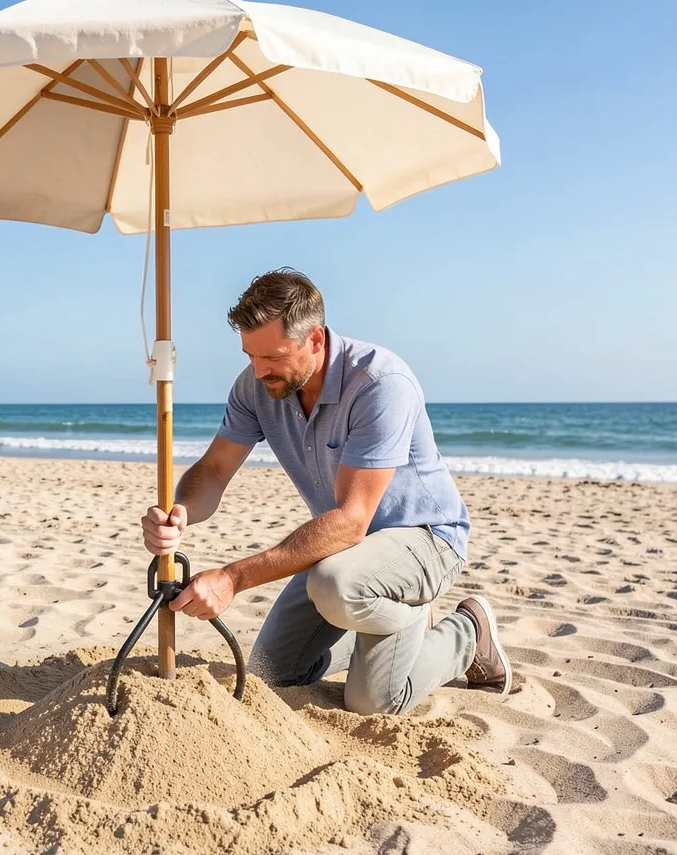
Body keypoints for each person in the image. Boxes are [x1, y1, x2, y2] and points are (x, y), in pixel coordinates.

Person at [141, 269, 510, 714]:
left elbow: (353, 521)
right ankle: (387, 618)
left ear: (314, 340)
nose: (258, 372)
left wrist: (233, 578)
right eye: (250, 356)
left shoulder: (380, 383)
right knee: (271, 675)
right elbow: (216, 470)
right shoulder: (256, 384)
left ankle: (466, 633)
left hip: (426, 539)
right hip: (345, 555)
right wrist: (180, 512)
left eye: (272, 357)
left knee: (372, 696)